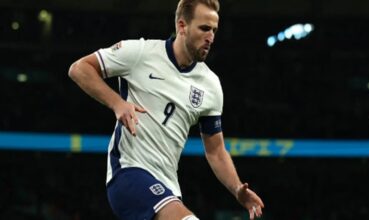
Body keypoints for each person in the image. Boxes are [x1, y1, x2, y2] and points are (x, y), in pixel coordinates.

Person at [68, 0, 264, 219]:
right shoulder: (141, 53)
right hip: (128, 172)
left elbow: (216, 151)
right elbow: (79, 69)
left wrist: (237, 189)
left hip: (168, 187)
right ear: (182, 26)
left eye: (215, 30)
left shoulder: (210, 85)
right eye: (204, 28)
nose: (211, 37)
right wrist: (118, 103)